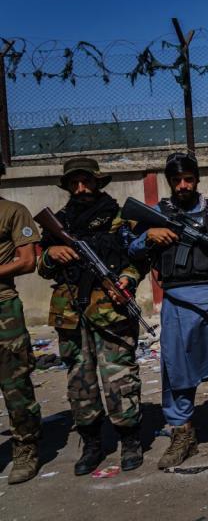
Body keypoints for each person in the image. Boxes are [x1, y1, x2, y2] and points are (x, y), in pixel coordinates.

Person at [128, 152, 208, 468]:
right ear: (170, 182)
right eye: (177, 180)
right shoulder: (157, 212)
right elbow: (130, 245)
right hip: (177, 301)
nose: (183, 186)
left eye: (188, 179)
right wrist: (148, 236)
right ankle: (182, 434)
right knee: (177, 370)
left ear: (196, 179)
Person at [38, 158, 144, 474]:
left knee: (119, 376)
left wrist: (127, 278)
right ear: (68, 186)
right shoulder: (58, 222)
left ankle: (130, 440)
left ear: (98, 182)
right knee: (79, 380)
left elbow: (138, 258)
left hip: (111, 308)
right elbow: (41, 266)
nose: (81, 188)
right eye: (75, 183)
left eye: (86, 182)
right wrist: (51, 254)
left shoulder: (119, 218)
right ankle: (93, 444)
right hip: (71, 311)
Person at [0, 162, 43, 484]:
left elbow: (28, 261)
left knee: (15, 383)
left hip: (3, 308)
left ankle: (25, 448)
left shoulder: (13, 212)